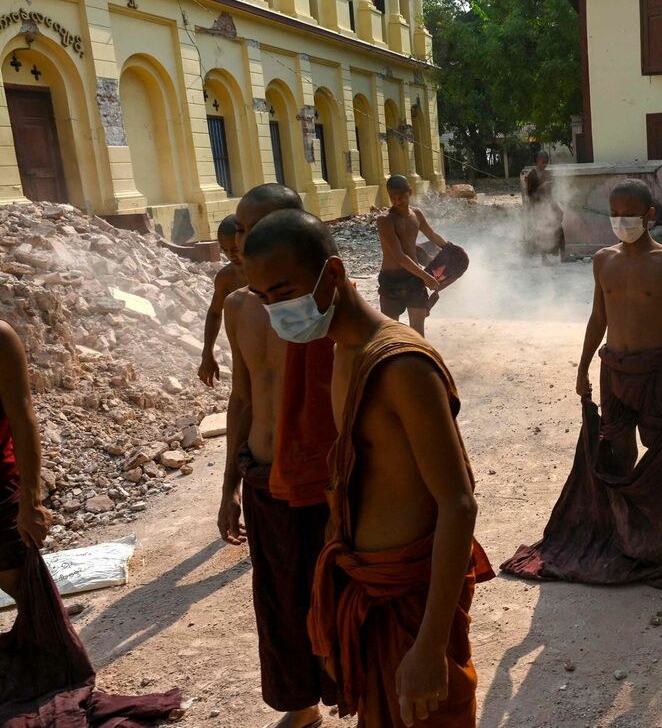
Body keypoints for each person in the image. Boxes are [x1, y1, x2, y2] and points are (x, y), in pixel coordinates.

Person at [239, 209, 493, 727]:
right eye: (265, 300)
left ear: (332, 275)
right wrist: (331, 613)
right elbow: (345, 483)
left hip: (412, 601)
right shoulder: (340, 352)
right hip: (368, 591)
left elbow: (458, 504)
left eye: (284, 292)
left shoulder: (401, 365)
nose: (276, 311)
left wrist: (429, 647)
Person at [501, 179, 662, 594]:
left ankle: (661, 538)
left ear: (649, 215)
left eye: (629, 214)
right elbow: (597, 318)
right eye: (615, 214)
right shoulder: (603, 260)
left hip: (655, 370)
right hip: (612, 370)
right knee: (618, 452)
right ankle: (625, 533)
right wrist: (582, 367)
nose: (621, 222)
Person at [0, 320, 182, 723]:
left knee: (24, 589)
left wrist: (30, 500)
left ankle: (50, 673)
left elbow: (23, 416)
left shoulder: (1, 337)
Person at [221, 184, 334, 728]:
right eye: (240, 231)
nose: (243, 245)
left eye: (255, 230)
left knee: (334, 595)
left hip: (319, 482)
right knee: (278, 601)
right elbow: (241, 397)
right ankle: (301, 705)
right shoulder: (239, 308)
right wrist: (228, 487)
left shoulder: (318, 310)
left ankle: (357, 694)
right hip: (261, 476)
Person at [377, 174, 448, 336]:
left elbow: (432, 235)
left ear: (410, 191)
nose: (396, 201)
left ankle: (418, 359)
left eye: (400, 196)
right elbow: (399, 256)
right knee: (392, 333)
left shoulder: (416, 214)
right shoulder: (385, 221)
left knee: (417, 332)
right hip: (391, 281)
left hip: (414, 279)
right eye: (392, 198)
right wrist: (426, 277)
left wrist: (450, 249)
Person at [198, 214, 246, 387]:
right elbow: (214, 312)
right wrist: (207, 353)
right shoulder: (226, 277)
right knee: (242, 392)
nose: (230, 255)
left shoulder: (265, 270)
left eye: (235, 249)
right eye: (225, 250)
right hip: (242, 347)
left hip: (275, 345)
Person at [521, 150, 568, 264]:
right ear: (537, 161)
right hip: (538, 207)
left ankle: (563, 255)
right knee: (541, 231)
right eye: (543, 162)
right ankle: (544, 258)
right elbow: (529, 194)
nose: (545, 164)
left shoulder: (548, 174)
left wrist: (557, 207)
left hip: (549, 205)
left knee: (559, 228)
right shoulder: (531, 175)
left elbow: (551, 193)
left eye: (546, 162)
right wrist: (541, 187)